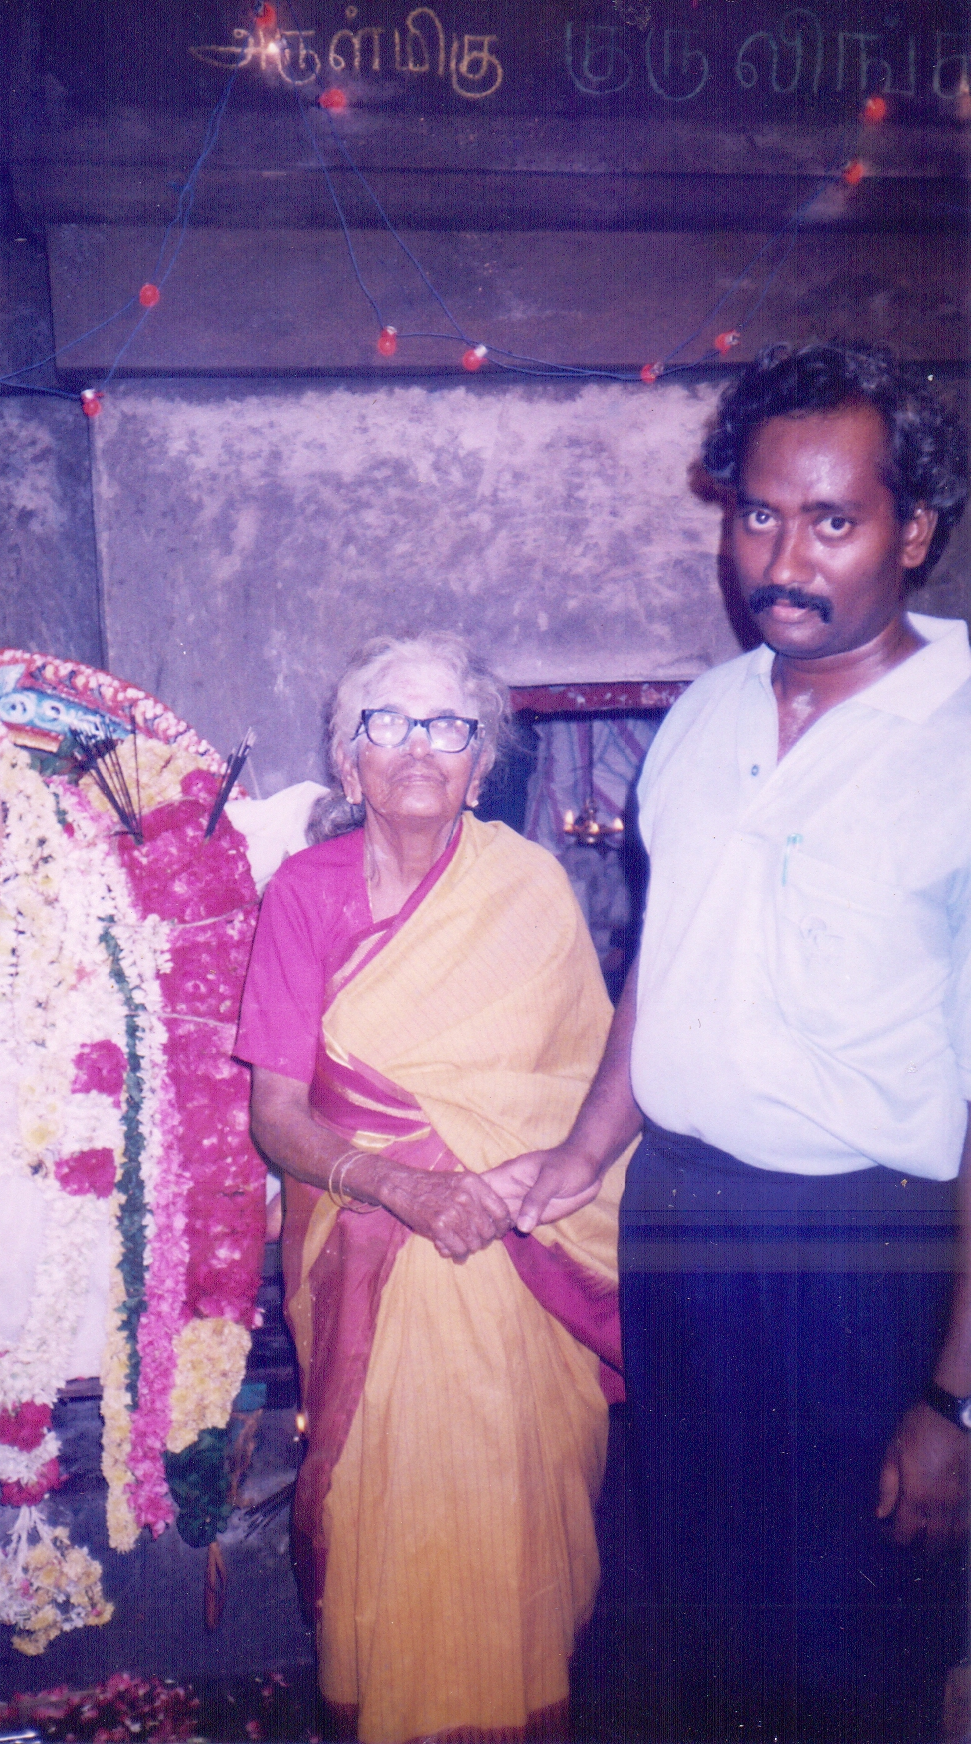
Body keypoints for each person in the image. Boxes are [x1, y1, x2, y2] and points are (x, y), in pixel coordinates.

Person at [492, 343, 971, 1743]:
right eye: (758, 513)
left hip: (869, 1248)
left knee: (857, 1652)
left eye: (834, 519)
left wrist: (957, 1398)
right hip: (687, 1220)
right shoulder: (703, 716)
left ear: (915, 530)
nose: (782, 553)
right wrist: (590, 1147)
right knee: (699, 1614)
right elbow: (671, 959)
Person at [236, 632, 629, 1744]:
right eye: (388, 723)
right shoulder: (305, 896)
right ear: (349, 755)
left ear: (480, 754)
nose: (419, 747)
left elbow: (579, 1081)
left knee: (509, 1518)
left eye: (448, 724)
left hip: (512, 1258)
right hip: (368, 1245)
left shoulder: (529, 886)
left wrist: (515, 1175)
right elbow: (278, 1114)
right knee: (396, 1520)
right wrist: (404, 1190)